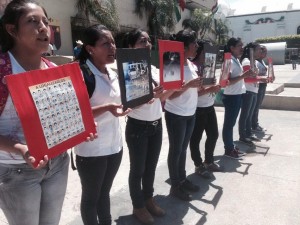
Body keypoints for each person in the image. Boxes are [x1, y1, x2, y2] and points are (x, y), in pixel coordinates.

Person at [0, 1, 95, 225]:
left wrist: (83, 127)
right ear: (12, 30)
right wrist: (21, 149)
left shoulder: (55, 72)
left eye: (45, 21)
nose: (44, 28)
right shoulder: (3, 70)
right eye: (33, 21)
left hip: (57, 164)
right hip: (17, 172)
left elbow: (67, 115)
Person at [74, 24, 129, 225]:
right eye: (105, 43)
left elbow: (121, 101)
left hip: (115, 146)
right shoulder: (81, 75)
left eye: (113, 42)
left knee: (104, 193)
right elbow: (74, 114)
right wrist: (106, 107)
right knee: (91, 198)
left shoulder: (112, 72)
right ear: (90, 49)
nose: (112, 47)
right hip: (92, 151)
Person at [122, 28, 174, 224]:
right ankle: (138, 206)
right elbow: (128, 104)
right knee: (138, 169)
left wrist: (174, 87)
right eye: (141, 41)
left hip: (156, 124)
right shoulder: (128, 68)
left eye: (148, 41)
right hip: (137, 127)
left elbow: (162, 97)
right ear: (131, 46)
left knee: (150, 167)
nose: (147, 44)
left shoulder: (154, 69)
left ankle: (149, 199)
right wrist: (152, 95)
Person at [165, 29, 202, 201]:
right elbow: (169, 96)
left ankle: (181, 179)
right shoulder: (172, 63)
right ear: (184, 46)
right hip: (176, 114)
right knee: (176, 150)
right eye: (194, 43)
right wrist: (189, 84)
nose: (197, 46)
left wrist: (201, 85)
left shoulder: (191, 64)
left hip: (190, 113)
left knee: (183, 149)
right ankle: (175, 185)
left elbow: (193, 88)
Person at [189, 40, 222, 179]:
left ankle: (208, 161)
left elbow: (208, 88)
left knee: (213, 134)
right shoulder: (193, 67)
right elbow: (193, 93)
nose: (208, 55)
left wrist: (213, 86)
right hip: (198, 108)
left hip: (209, 106)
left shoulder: (208, 66)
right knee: (195, 139)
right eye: (205, 52)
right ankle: (198, 165)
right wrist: (211, 88)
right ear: (199, 52)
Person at [222, 37, 253, 159]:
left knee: (231, 123)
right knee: (229, 124)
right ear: (232, 48)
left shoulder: (236, 60)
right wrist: (243, 76)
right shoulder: (228, 61)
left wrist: (247, 75)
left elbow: (238, 78)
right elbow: (225, 82)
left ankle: (231, 147)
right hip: (231, 97)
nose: (242, 48)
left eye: (242, 45)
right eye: (239, 45)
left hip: (237, 95)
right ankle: (229, 149)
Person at [238, 42, 262, 145]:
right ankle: (243, 136)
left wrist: (260, 79)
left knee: (249, 114)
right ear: (252, 51)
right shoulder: (247, 62)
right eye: (258, 49)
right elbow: (246, 79)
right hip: (248, 91)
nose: (260, 51)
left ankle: (248, 133)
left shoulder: (254, 62)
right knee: (245, 115)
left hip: (253, 90)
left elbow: (253, 77)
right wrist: (262, 79)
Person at [252, 45, 269, 132]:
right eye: (264, 51)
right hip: (258, 85)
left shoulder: (262, 61)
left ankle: (255, 123)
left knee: (258, 106)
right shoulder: (255, 62)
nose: (266, 53)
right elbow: (255, 75)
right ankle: (254, 125)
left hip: (263, 84)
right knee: (256, 106)